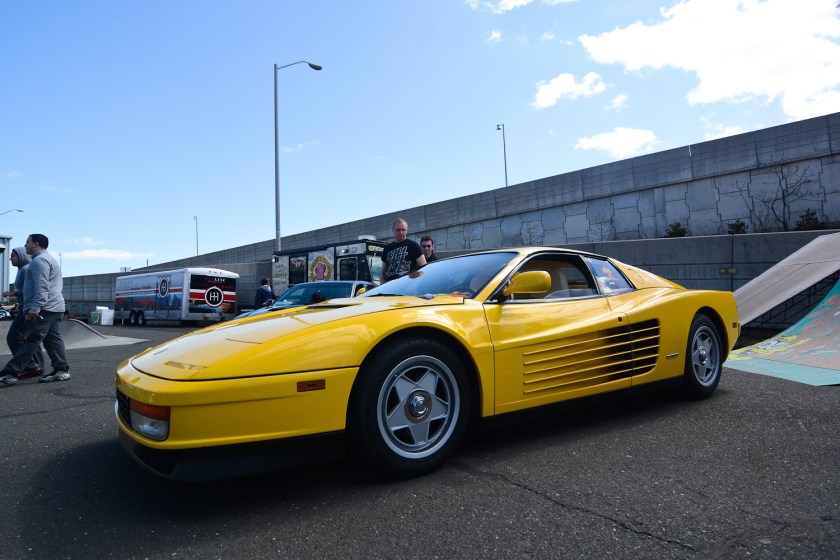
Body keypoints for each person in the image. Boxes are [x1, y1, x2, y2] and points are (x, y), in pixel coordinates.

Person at [1, 234, 70, 385]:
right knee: (52, 339)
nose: (25, 245)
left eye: (27, 242)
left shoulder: (40, 261)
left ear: (35, 244)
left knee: (31, 340)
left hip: (45, 308)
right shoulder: (47, 259)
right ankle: (61, 370)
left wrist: (36, 307)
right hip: (55, 307)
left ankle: (11, 372)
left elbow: (41, 285)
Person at [2, 247, 46, 379]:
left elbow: (30, 290)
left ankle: (30, 365)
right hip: (24, 306)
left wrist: (12, 293)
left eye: (13, 256)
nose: (10, 259)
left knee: (14, 336)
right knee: (30, 338)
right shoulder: (22, 269)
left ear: (20, 256)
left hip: (28, 308)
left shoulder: (26, 269)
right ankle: (37, 365)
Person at [380, 218, 426, 283]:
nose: (401, 232)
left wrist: (416, 285)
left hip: (408, 286)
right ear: (393, 230)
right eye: (398, 230)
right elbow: (383, 272)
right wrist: (382, 287)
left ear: (406, 231)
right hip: (390, 287)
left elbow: (424, 268)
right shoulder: (387, 248)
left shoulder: (414, 246)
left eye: (403, 230)